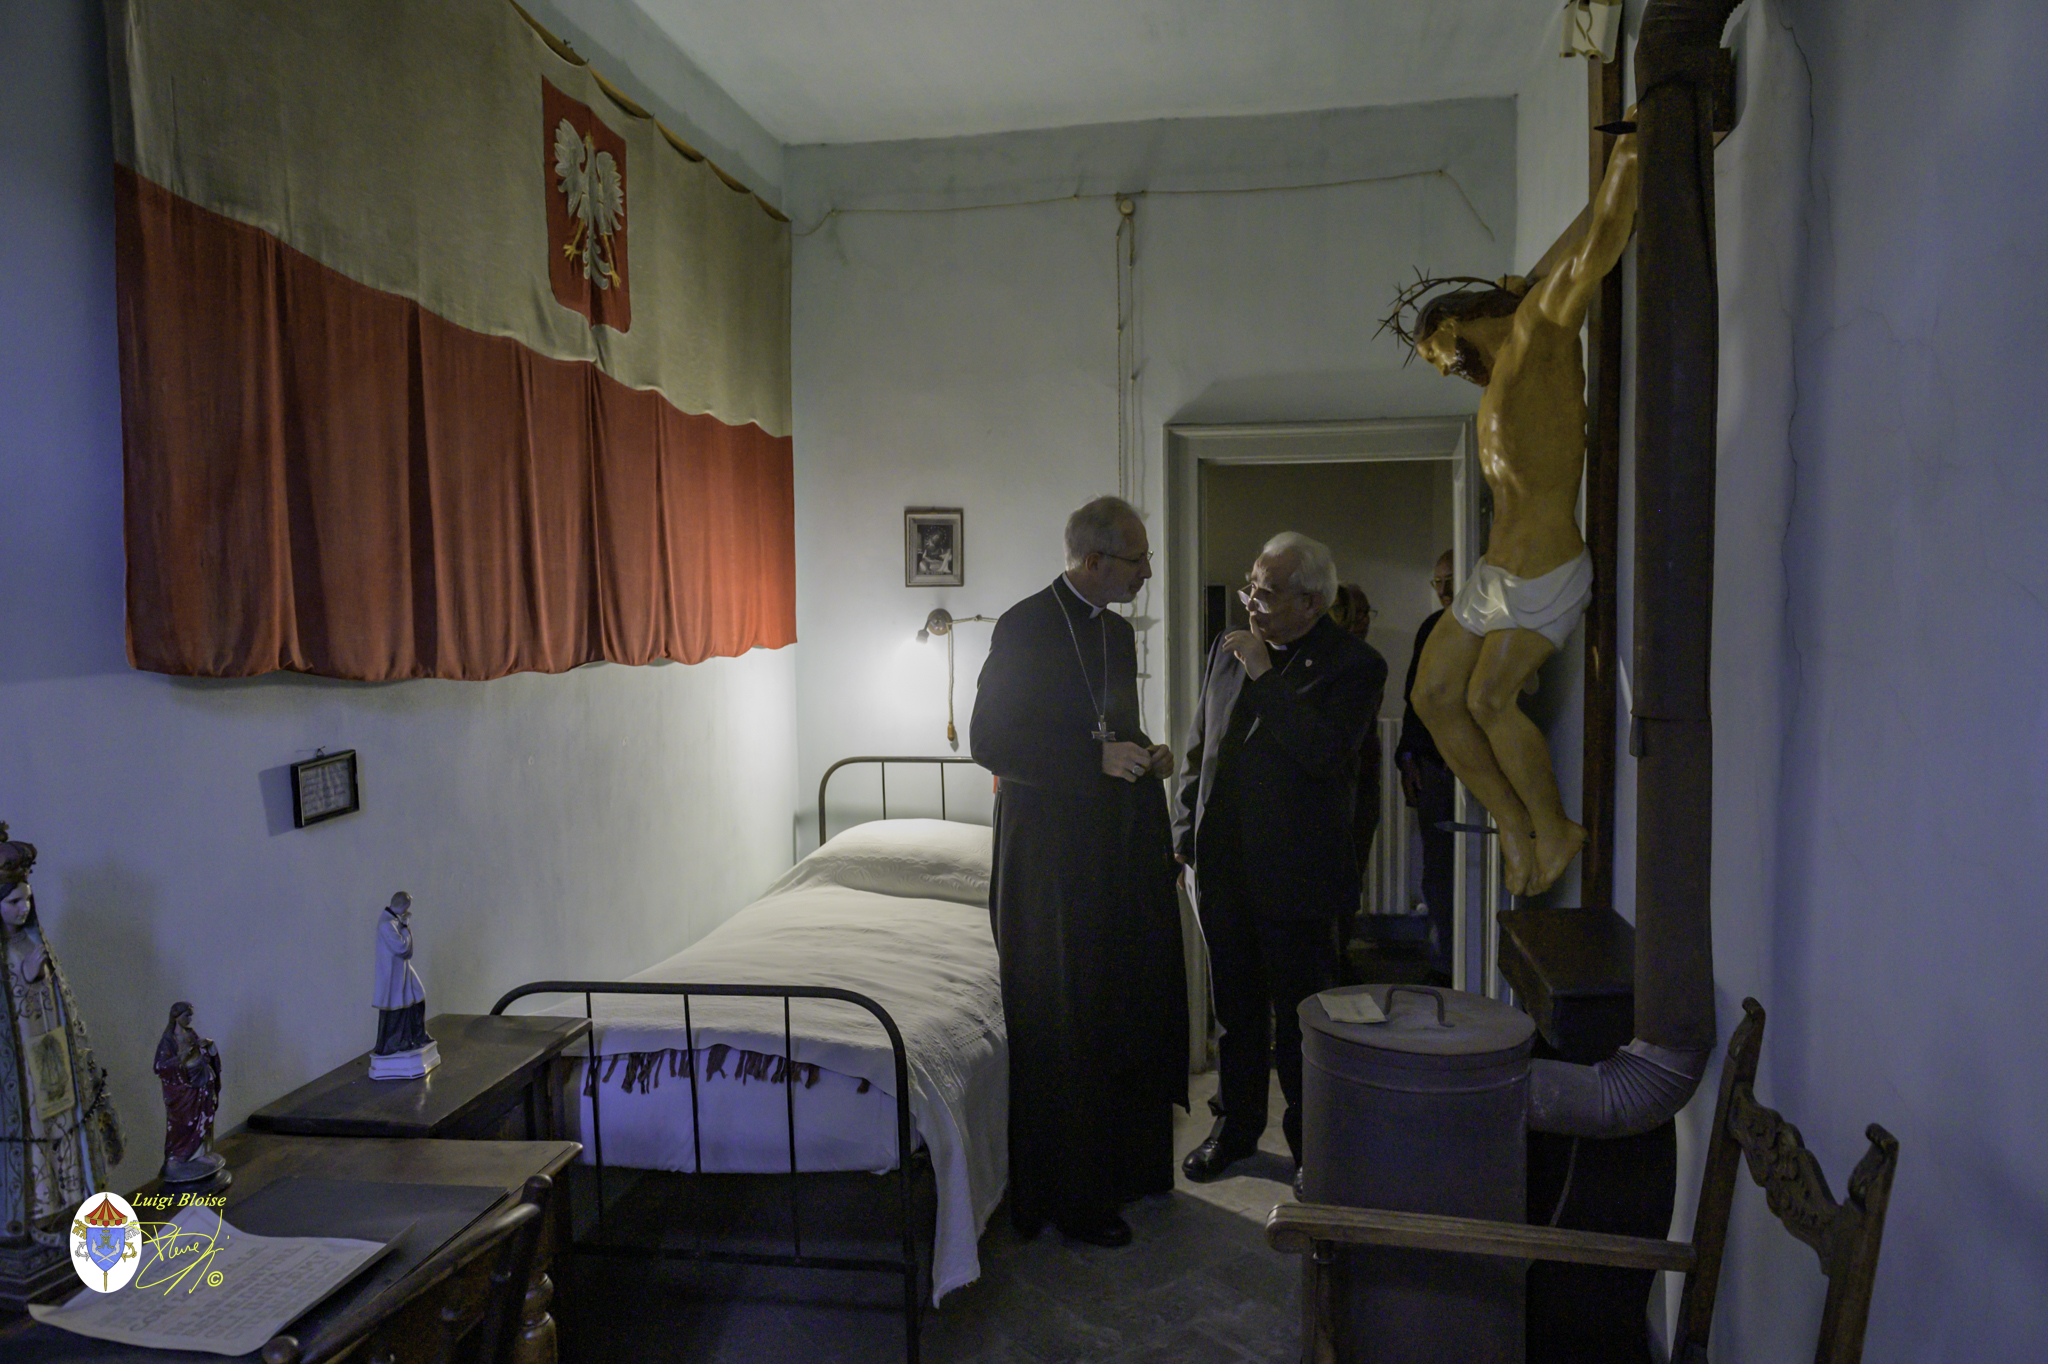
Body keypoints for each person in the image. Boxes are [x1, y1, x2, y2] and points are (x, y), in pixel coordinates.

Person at [1386, 128, 1639, 896]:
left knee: (1489, 699)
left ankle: (1553, 828)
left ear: (1459, 325)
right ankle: (1514, 827)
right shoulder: (1507, 362)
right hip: (1497, 572)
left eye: (1442, 354)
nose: (1449, 370)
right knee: (1433, 698)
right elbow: (1549, 262)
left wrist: (1632, 157)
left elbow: (1593, 251)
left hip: (1545, 567)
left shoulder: (1540, 336)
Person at [969, 495, 1189, 1247]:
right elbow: (990, 741)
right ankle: (1068, 1196)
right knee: (1066, 1015)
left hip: (1114, 846)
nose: (1147, 573)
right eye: (1137, 560)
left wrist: (1147, 752)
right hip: (1046, 856)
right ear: (1093, 561)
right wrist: (1093, 759)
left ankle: (1127, 1172)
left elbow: (1112, 726)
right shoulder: (1023, 626)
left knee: (1120, 1003)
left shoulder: (1117, 633)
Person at [1173, 534, 1386, 1182]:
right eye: (1250, 587)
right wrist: (1183, 835)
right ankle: (1235, 1131)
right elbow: (1201, 748)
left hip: (1299, 876)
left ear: (1312, 602)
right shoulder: (1227, 648)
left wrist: (1266, 675)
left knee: (1301, 1023)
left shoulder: (1356, 666)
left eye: (1266, 594)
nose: (1250, 603)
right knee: (1236, 1015)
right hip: (1223, 870)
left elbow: (1323, 754)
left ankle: (1311, 1147)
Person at [0, 827, 123, 1238]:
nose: (23, 909)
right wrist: (26, 979)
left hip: (49, 1059)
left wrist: (37, 979)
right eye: (13, 902)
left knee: (59, 1125)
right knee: (33, 1130)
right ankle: (34, 1215)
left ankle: (66, 1204)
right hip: (17, 1079)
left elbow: (58, 1004)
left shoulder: (33, 942)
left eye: (27, 900)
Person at [1396, 551, 1459, 983]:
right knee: (1437, 870)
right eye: (1437, 582)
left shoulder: (1487, 626)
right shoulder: (1432, 628)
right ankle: (1443, 963)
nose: (1444, 590)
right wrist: (1407, 757)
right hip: (1433, 764)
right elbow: (1414, 702)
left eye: (1451, 579)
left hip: (1471, 766)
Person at [1327, 582, 1384, 962]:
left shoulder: (1368, 663)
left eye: (1366, 613)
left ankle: (1340, 953)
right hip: (1337, 784)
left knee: (1353, 873)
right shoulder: (1337, 662)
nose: (1362, 621)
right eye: (1354, 613)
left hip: (1364, 782)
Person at [154, 1001, 225, 1185]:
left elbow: (199, 1056)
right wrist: (183, 1059)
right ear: (176, 1016)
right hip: (182, 1093)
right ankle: (177, 1159)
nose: (190, 1019)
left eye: (191, 1015)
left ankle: (199, 1155)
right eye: (186, 1016)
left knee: (202, 1119)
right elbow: (160, 1066)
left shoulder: (191, 1034)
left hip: (200, 1087)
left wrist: (208, 1047)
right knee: (183, 1124)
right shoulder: (168, 1040)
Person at [373, 891, 433, 1055]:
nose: (407, 911)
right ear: (401, 906)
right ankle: (398, 1043)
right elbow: (402, 948)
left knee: (418, 994)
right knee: (397, 1004)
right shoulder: (386, 924)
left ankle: (418, 1035)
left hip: (402, 968)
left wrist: (403, 925)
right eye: (406, 908)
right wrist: (405, 927)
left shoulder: (393, 920)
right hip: (394, 972)